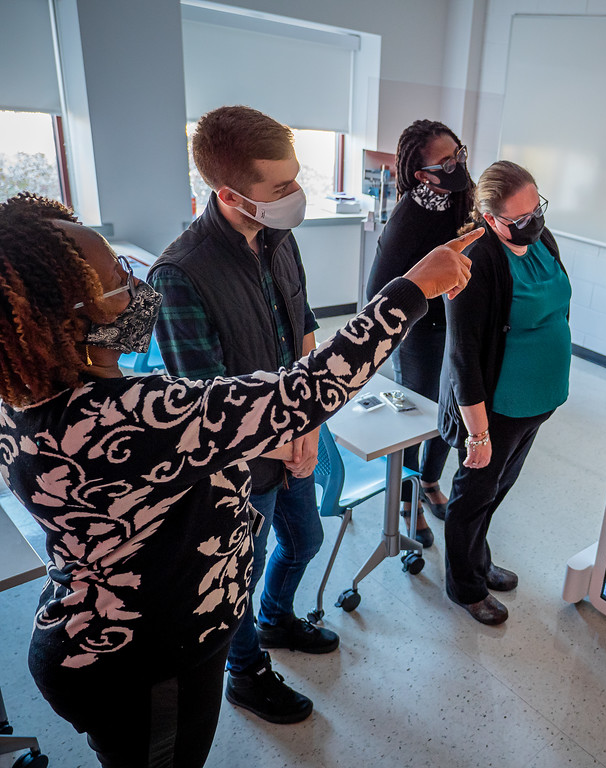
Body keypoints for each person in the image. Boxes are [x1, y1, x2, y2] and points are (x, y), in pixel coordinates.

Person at [0, 191, 475, 766]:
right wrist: (413, 287)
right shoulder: (137, 416)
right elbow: (307, 390)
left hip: (93, 642)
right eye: (116, 280)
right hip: (148, 661)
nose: (135, 282)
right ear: (70, 318)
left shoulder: (22, 399)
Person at [150, 105, 333, 723]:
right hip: (239, 467)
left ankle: (277, 620)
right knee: (237, 579)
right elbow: (206, 402)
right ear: (229, 194)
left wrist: (308, 424)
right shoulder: (180, 274)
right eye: (281, 187)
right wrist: (285, 440)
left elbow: (304, 329)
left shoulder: (280, 238)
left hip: (295, 437)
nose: (297, 194)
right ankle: (245, 671)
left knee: (305, 540)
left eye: (295, 177)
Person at [439, 160, 572, 625]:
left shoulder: (541, 241)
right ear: (490, 218)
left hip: (536, 403)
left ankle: (479, 560)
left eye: (538, 208)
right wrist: (478, 434)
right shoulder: (475, 261)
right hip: (496, 409)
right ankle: (466, 586)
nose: (534, 221)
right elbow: (463, 356)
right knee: (473, 497)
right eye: (521, 217)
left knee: (496, 490)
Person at [366, 119, 476, 546]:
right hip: (419, 331)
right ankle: (407, 498)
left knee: (451, 411)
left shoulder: (464, 197)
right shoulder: (409, 216)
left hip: (456, 324)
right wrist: (427, 290)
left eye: (459, 154)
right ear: (422, 175)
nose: (457, 165)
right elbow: (378, 291)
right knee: (416, 416)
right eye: (446, 163)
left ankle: (430, 481)